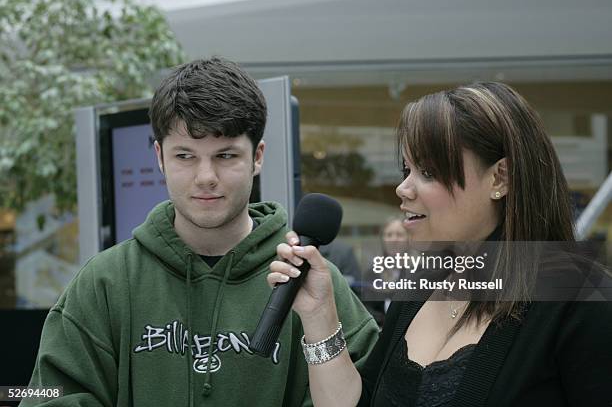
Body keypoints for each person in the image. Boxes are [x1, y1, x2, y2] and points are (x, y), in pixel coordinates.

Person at [22, 58, 379, 407]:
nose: (205, 176)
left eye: (225, 156)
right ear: (160, 157)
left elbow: (370, 395)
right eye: (185, 156)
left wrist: (321, 326)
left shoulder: (311, 283)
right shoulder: (105, 282)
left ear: (257, 157)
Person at [269, 82, 612, 406]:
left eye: (429, 172)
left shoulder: (579, 296)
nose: (403, 189)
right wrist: (319, 318)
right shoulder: (424, 281)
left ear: (499, 178)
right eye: (407, 169)